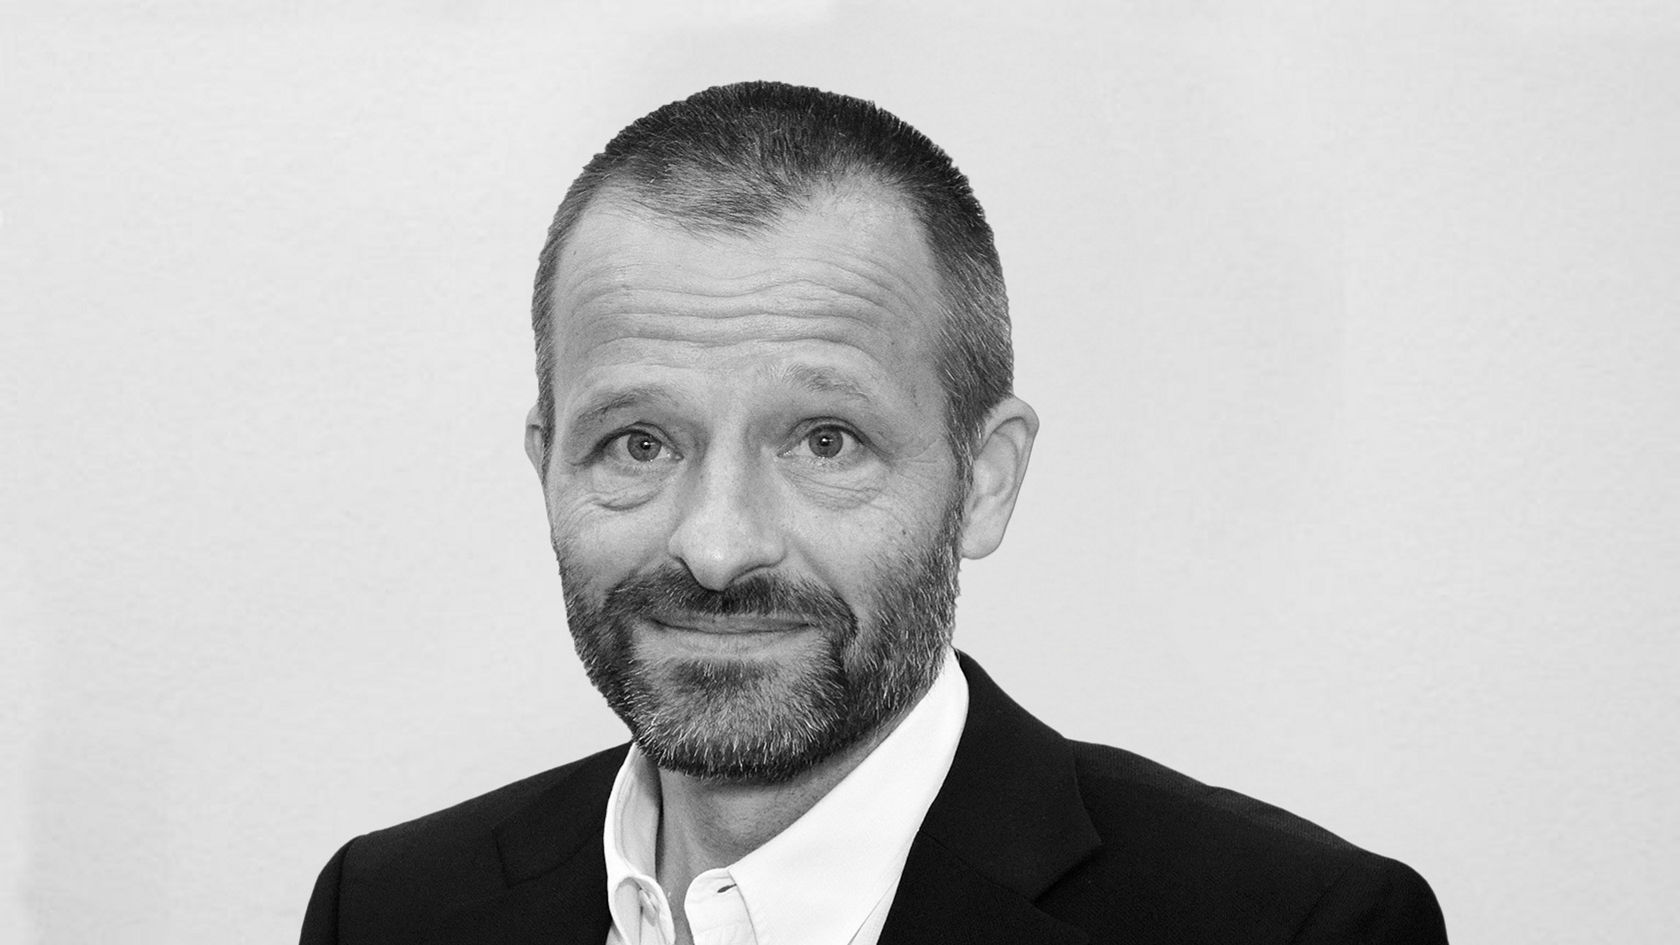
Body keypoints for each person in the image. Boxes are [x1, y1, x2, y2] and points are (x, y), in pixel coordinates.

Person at [300, 80, 1448, 945]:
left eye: (825, 441)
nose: (718, 547)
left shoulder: (1300, 927)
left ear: (984, 479)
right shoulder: (389, 911)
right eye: (639, 442)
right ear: (548, 466)